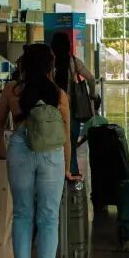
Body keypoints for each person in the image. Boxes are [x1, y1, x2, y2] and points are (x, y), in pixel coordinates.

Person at [0, 43, 77, 258]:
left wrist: (5, 154)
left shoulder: (12, 91)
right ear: (50, 66)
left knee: (22, 213)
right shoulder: (59, 94)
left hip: (19, 149)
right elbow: (66, 138)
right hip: (51, 153)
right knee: (49, 217)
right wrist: (67, 168)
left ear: (24, 65)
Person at [50, 32, 95, 175]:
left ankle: (56, 174)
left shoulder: (49, 62)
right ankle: (72, 172)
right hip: (70, 109)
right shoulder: (73, 62)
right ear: (68, 46)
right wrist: (92, 94)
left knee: (54, 145)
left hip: (52, 109)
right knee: (71, 144)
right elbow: (91, 78)